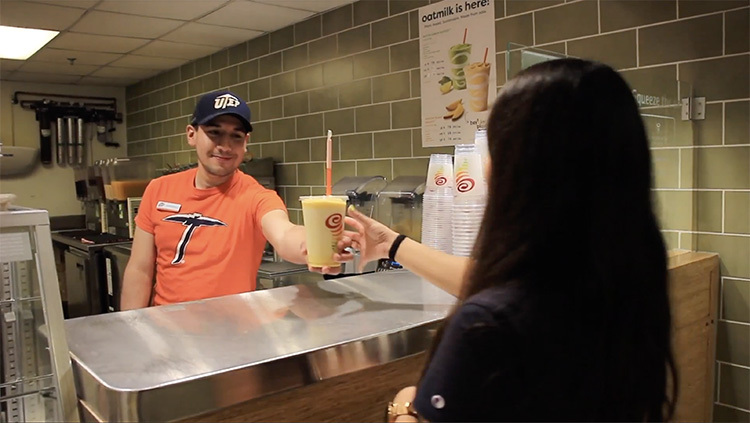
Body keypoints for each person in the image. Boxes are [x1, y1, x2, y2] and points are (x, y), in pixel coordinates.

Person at [348, 59, 677, 421]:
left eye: (493, 149)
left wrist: (405, 408)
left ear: (526, 169)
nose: (486, 168)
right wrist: (392, 244)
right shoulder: (627, 285)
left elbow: (502, 302)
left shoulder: (485, 326)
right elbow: (501, 285)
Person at [121, 90, 356, 309]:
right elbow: (140, 269)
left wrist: (313, 243)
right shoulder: (159, 189)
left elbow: (285, 234)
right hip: (164, 330)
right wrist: (130, 328)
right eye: (215, 133)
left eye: (236, 136)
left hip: (231, 333)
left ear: (246, 143)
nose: (225, 146)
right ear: (191, 135)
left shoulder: (256, 196)